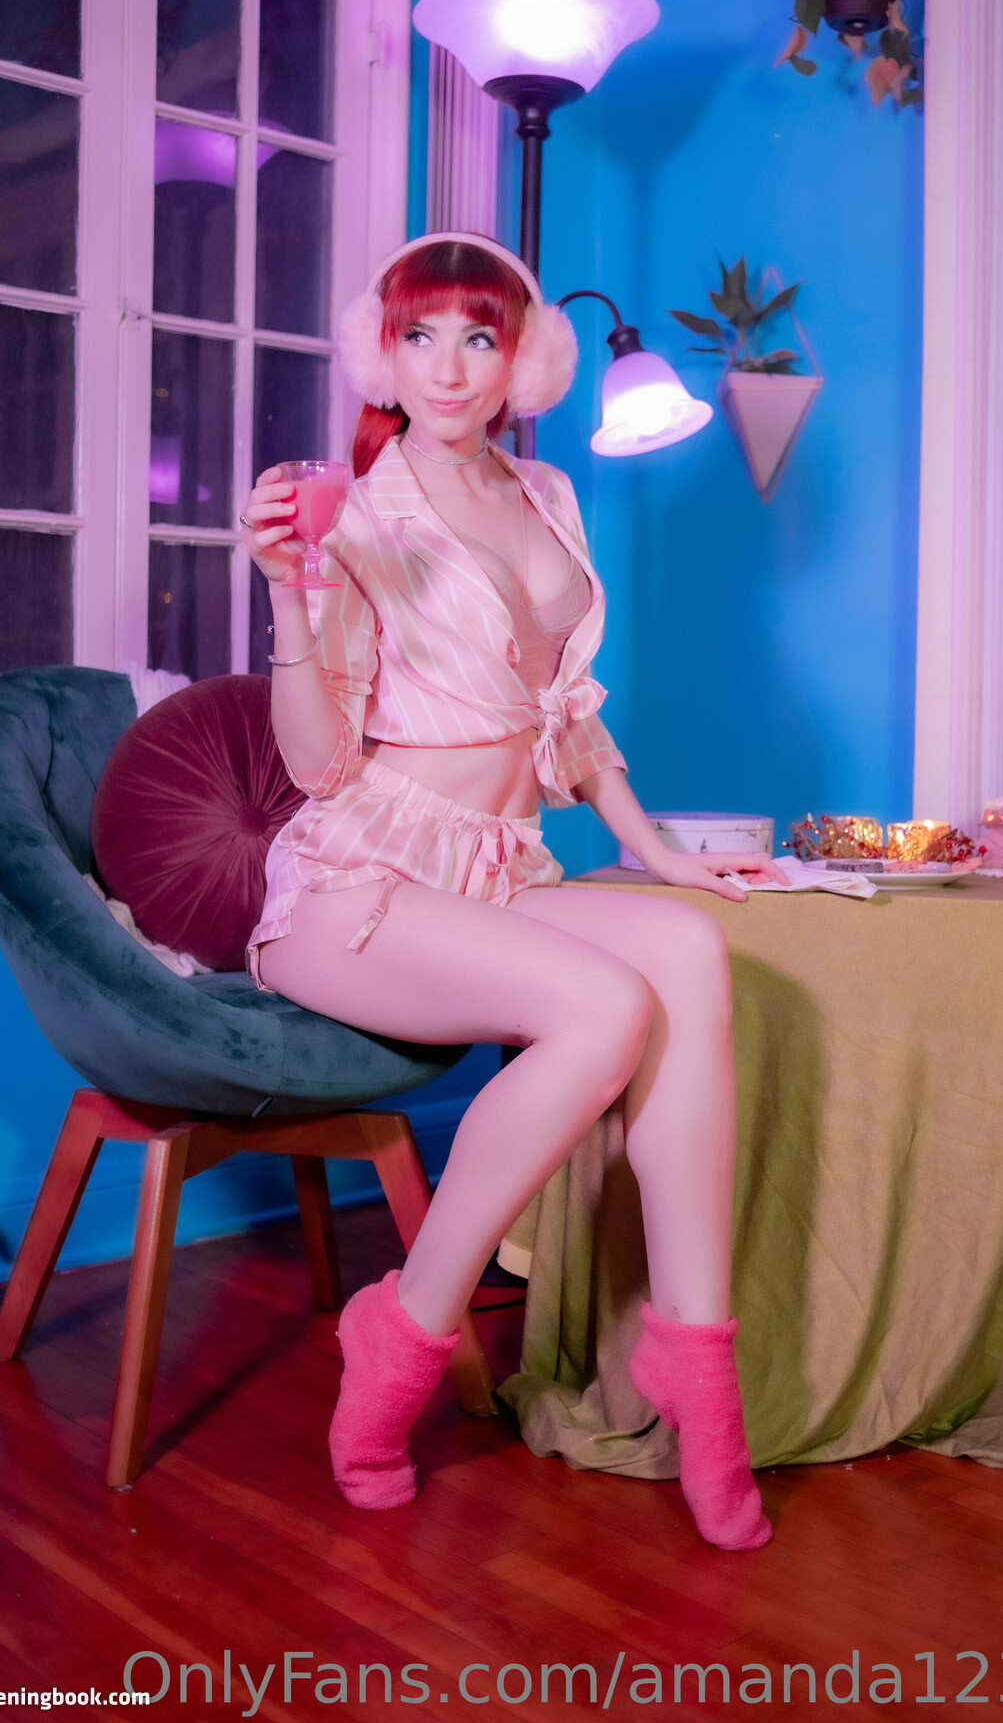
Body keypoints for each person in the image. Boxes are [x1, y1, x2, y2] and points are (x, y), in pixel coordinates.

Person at [240, 232, 780, 1551]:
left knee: (688, 952)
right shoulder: (353, 512)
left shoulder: (545, 491)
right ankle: (406, 1328)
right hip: (357, 885)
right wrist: (290, 601)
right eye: (418, 337)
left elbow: (563, 710)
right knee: (605, 1008)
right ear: (382, 354)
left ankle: (690, 1355)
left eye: (477, 337)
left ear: (520, 360)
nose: (447, 367)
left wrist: (656, 850)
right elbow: (314, 763)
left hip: (491, 867)